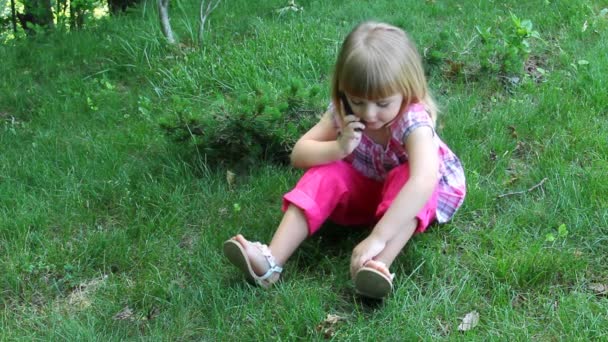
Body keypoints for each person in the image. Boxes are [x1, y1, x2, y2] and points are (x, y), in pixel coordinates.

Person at [223, 21, 466, 299]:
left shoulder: (413, 121)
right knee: (326, 171)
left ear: (408, 91)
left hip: (410, 199)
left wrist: (377, 237)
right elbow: (299, 154)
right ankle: (270, 263)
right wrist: (339, 147)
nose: (370, 113)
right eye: (358, 101)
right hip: (367, 192)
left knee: (409, 177)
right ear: (344, 90)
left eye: (383, 103)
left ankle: (377, 266)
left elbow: (423, 181)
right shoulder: (343, 112)